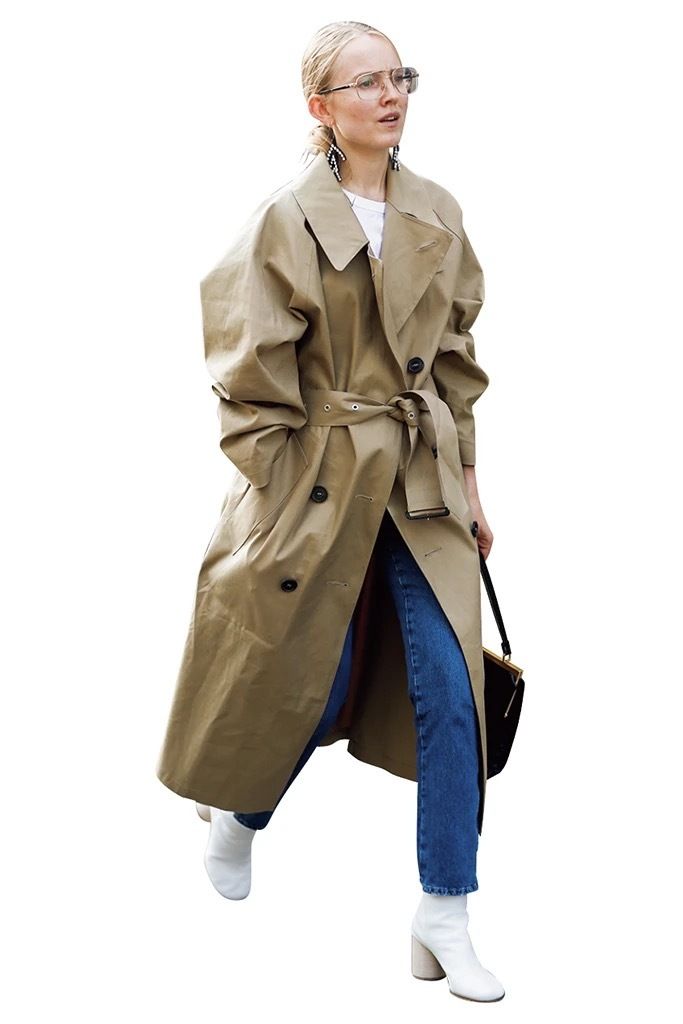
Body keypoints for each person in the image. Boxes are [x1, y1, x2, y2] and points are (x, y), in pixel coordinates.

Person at [161, 20, 504, 1003]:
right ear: (320, 107)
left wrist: (469, 484)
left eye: (399, 76)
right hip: (319, 479)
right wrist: (275, 483)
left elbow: (454, 361)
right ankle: (243, 812)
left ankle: (444, 911)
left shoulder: (436, 210)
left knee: (452, 689)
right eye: (365, 82)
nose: (390, 95)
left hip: (419, 479)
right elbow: (243, 370)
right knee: (315, 676)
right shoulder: (284, 218)